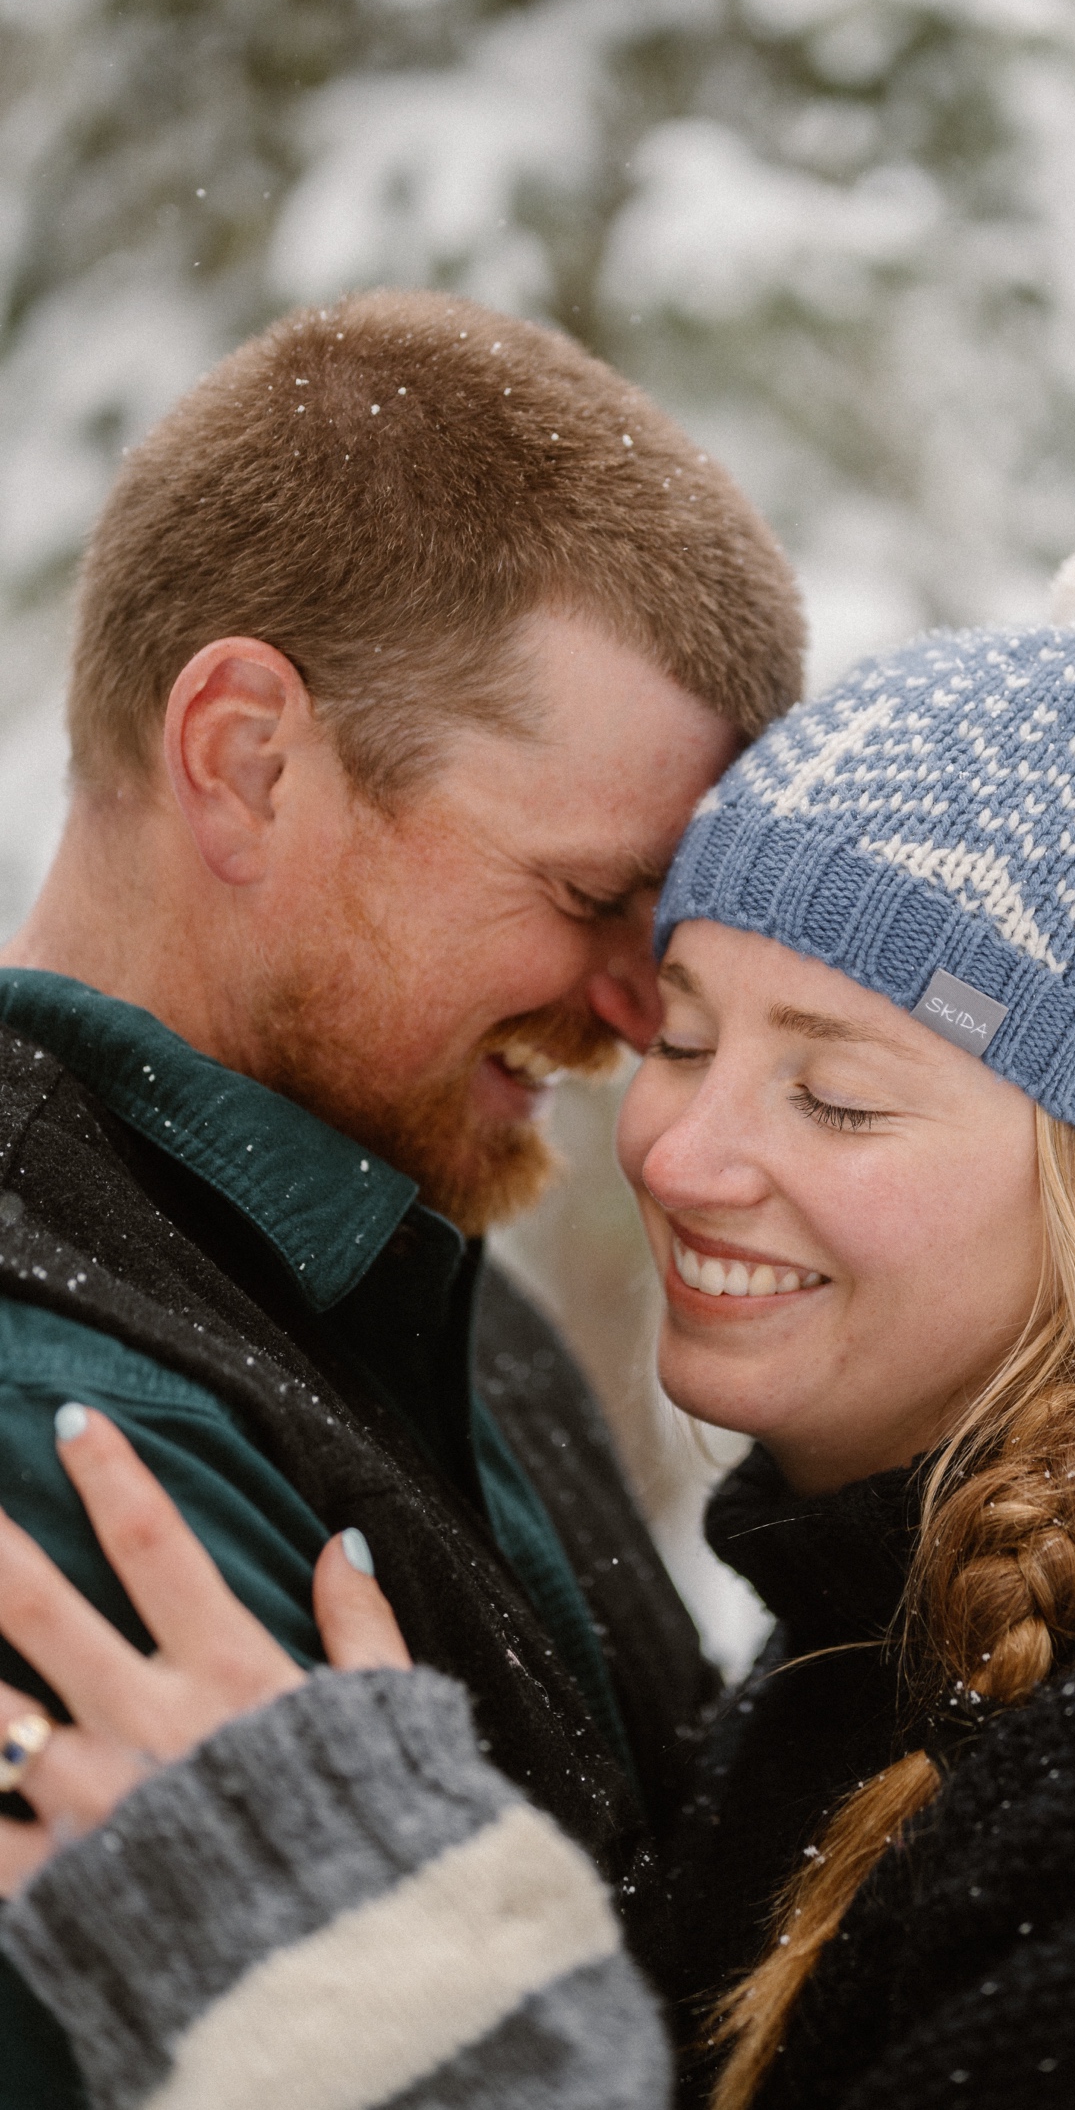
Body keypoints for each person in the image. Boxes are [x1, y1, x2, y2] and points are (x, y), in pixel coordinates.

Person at [2, 515, 1075, 2109]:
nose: (682, 1155)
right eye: (688, 1040)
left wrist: (366, 1999)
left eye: (839, 1096)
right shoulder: (870, 1647)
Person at [0, 285, 804, 2101]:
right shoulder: (68, 1448)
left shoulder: (417, 1287)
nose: (634, 1006)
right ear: (246, 757)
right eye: (592, 890)